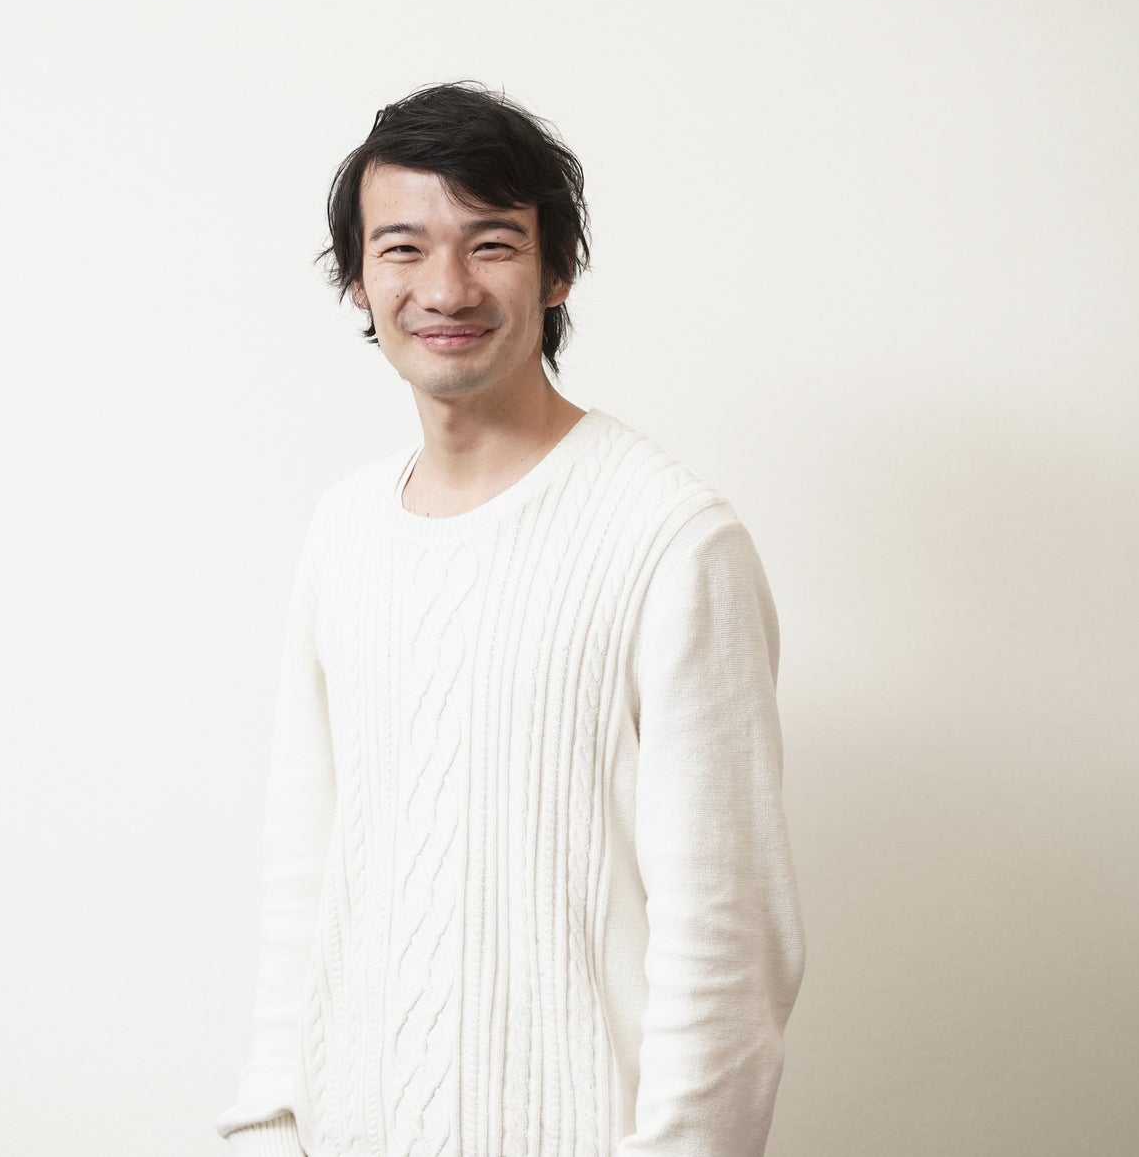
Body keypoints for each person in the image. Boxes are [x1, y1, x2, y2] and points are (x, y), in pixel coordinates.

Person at [212, 82, 805, 1157]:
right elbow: (307, 868)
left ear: (558, 269)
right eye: (401, 248)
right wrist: (268, 1124)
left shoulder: (672, 540)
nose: (445, 287)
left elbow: (727, 943)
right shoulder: (344, 531)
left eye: (491, 244)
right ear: (357, 279)